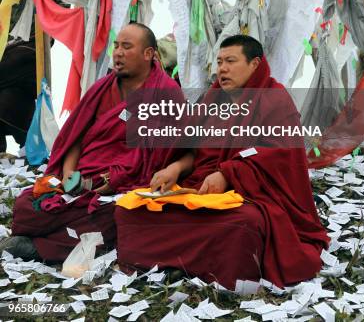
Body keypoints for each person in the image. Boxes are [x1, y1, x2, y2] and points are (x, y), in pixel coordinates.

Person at [115, 35, 329, 289]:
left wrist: (228, 173)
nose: (222, 69)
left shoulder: (275, 99)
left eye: (230, 61)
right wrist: (175, 167)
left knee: (244, 224)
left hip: (250, 195)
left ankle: (212, 269)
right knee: (129, 210)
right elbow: (193, 150)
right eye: (218, 62)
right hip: (197, 189)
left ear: (255, 64)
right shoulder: (213, 99)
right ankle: (171, 264)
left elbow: (276, 154)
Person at [1, 23, 192, 262]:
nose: (118, 52)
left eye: (127, 47)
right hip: (78, 181)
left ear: (148, 54)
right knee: (26, 204)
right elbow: (76, 136)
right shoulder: (102, 87)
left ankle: (37, 248)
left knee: (112, 216)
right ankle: (45, 239)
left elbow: (187, 151)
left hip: (124, 188)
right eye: (117, 45)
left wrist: (169, 169)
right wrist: (70, 173)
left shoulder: (166, 93)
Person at [0, 0, 37, 152]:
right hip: (8, 66)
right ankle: (27, 147)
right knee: (8, 97)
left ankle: (31, 146)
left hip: (24, 55)